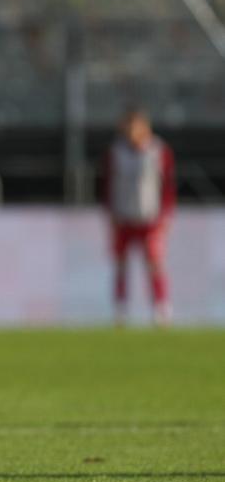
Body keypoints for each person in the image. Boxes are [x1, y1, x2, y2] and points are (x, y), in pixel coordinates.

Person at [104, 108, 176, 326]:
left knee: (154, 263)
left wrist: (166, 215)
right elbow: (108, 184)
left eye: (133, 126)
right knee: (121, 264)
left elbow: (168, 186)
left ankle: (161, 308)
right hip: (123, 216)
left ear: (144, 127)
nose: (129, 131)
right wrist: (110, 212)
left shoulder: (159, 151)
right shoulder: (115, 152)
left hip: (150, 217)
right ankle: (121, 309)